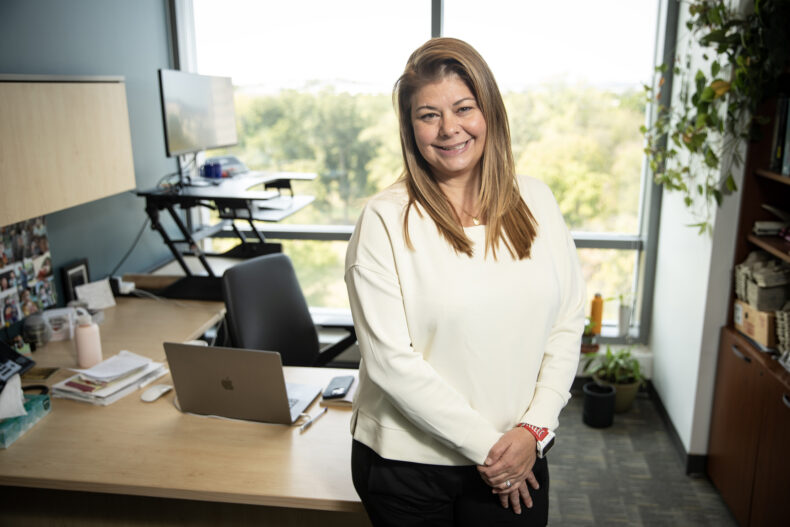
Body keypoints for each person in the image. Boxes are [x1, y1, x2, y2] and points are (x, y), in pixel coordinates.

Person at [344, 38, 585, 527]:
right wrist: (496, 451)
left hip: (521, 453)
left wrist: (534, 431)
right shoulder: (385, 220)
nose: (449, 128)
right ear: (411, 129)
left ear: (489, 112)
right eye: (428, 115)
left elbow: (567, 321)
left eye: (463, 108)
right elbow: (391, 363)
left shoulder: (537, 201)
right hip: (409, 469)